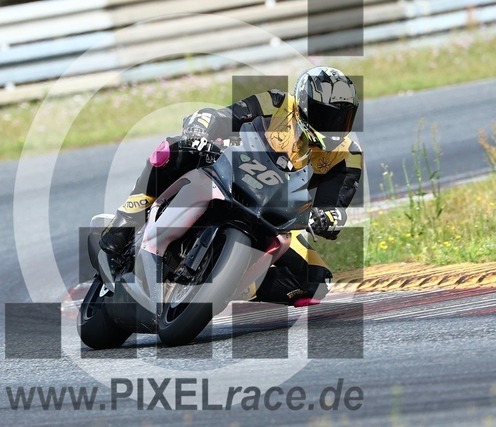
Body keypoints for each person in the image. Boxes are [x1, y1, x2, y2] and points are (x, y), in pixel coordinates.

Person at [100, 66, 362, 306]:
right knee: (176, 149)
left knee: (317, 281)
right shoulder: (278, 103)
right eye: (325, 116)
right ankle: (125, 222)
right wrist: (202, 126)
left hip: (277, 213)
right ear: (303, 104)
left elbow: (333, 204)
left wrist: (328, 217)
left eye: (342, 119)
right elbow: (225, 116)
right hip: (231, 170)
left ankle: (234, 284)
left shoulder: (347, 154)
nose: (334, 127)